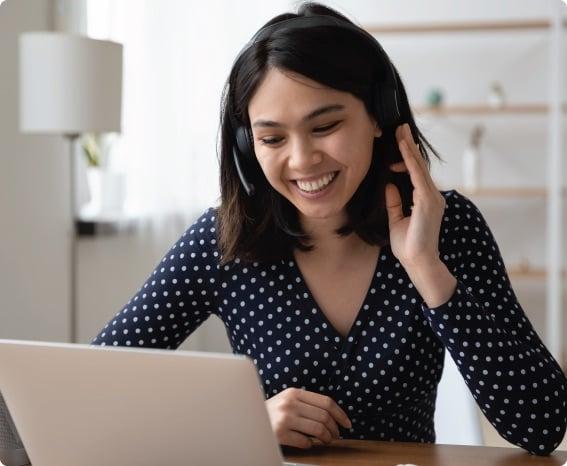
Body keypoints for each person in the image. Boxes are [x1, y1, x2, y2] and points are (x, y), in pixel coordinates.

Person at [92, 2, 567, 455]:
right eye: (273, 138)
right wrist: (246, 422)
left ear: (378, 117)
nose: (301, 160)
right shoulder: (224, 239)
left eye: (324, 126)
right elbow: (89, 386)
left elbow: (541, 425)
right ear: (247, 147)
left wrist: (426, 266)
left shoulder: (447, 226)